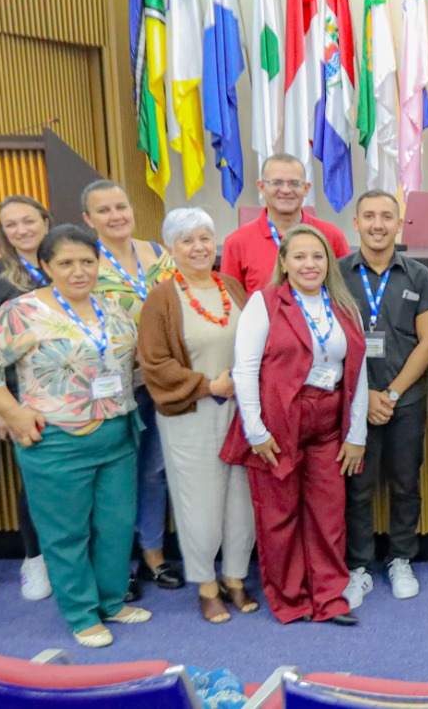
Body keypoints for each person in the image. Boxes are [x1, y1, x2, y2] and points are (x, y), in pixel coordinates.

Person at [0, 224, 153, 647]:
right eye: (66, 263)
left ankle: (111, 600)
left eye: (87, 261)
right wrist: (12, 412)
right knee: (67, 533)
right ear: (46, 265)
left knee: (117, 526)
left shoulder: (112, 308)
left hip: (117, 436)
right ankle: (81, 613)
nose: (79, 271)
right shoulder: (22, 311)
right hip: (57, 441)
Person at [222, 224, 370, 625]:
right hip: (278, 423)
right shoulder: (264, 303)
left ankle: (329, 597)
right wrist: (255, 431)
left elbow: (358, 371)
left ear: (329, 263)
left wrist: (356, 433)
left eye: (318, 256)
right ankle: (291, 600)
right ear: (284, 262)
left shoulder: (345, 306)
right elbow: (245, 370)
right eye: (300, 256)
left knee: (328, 514)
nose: (310, 264)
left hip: (329, 422)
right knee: (279, 516)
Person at [138, 208, 260, 624]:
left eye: (205, 238)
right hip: (192, 413)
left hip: (241, 412)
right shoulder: (162, 298)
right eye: (187, 240)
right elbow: (154, 363)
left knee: (241, 500)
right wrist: (209, 386)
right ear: (171, 249)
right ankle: (207, 585)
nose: (198, 247)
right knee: (201, 503)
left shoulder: (231, 287)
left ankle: (235, 576)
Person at [81, 179, 182, 599]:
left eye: (121, 206)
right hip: (112, 386)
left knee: (154, 471)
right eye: (103, 210)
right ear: (88, 219)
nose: (116, 216)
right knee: (115, 475)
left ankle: (153, 554)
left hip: (160, 381)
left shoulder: (158, 253)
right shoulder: (85, 262)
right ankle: (116, 563)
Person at [338, 190, 428, 606]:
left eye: (386, 217)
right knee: (357, 487)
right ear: (356, 223)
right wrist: (366, 396)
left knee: (405, 482)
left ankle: (401, 558)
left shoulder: (418, 275)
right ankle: (358, 566)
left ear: (399, 225)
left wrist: (392, 393)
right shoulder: (336, 273)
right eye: (369, 216)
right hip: (352, 401)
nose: (377, 224)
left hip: (405, 401)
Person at [0, 195, 56, 601]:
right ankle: (35, 559)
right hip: (23, 396)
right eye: (11, 224)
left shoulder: (69, 263)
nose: (22, 230)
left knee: (78, 478)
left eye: (28, 220)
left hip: (76, 392)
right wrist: (2, 407)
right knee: (35, 479)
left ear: (46, 221)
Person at [220, 153, 351, 295]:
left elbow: (348, 292)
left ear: (306, 189)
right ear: (261, 187)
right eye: (276, 183)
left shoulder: (332, 236)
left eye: (294, 183)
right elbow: (230, 300)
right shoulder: (237, 242)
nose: (286, 190)